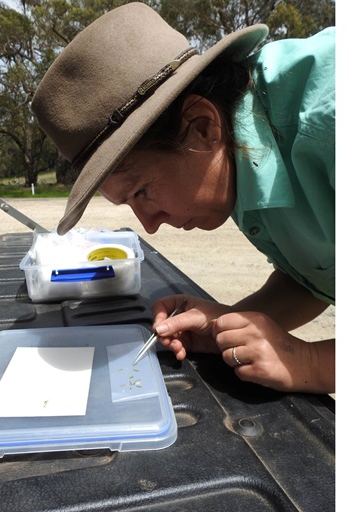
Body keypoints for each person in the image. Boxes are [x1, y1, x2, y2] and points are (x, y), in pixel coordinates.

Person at [31, 3, 335, 394]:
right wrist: (224, 323)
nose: (151, 225)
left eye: (142, 191)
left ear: (202, 126)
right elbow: (317, 275)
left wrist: (308, 362)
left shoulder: (333, 121)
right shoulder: (231, 150)